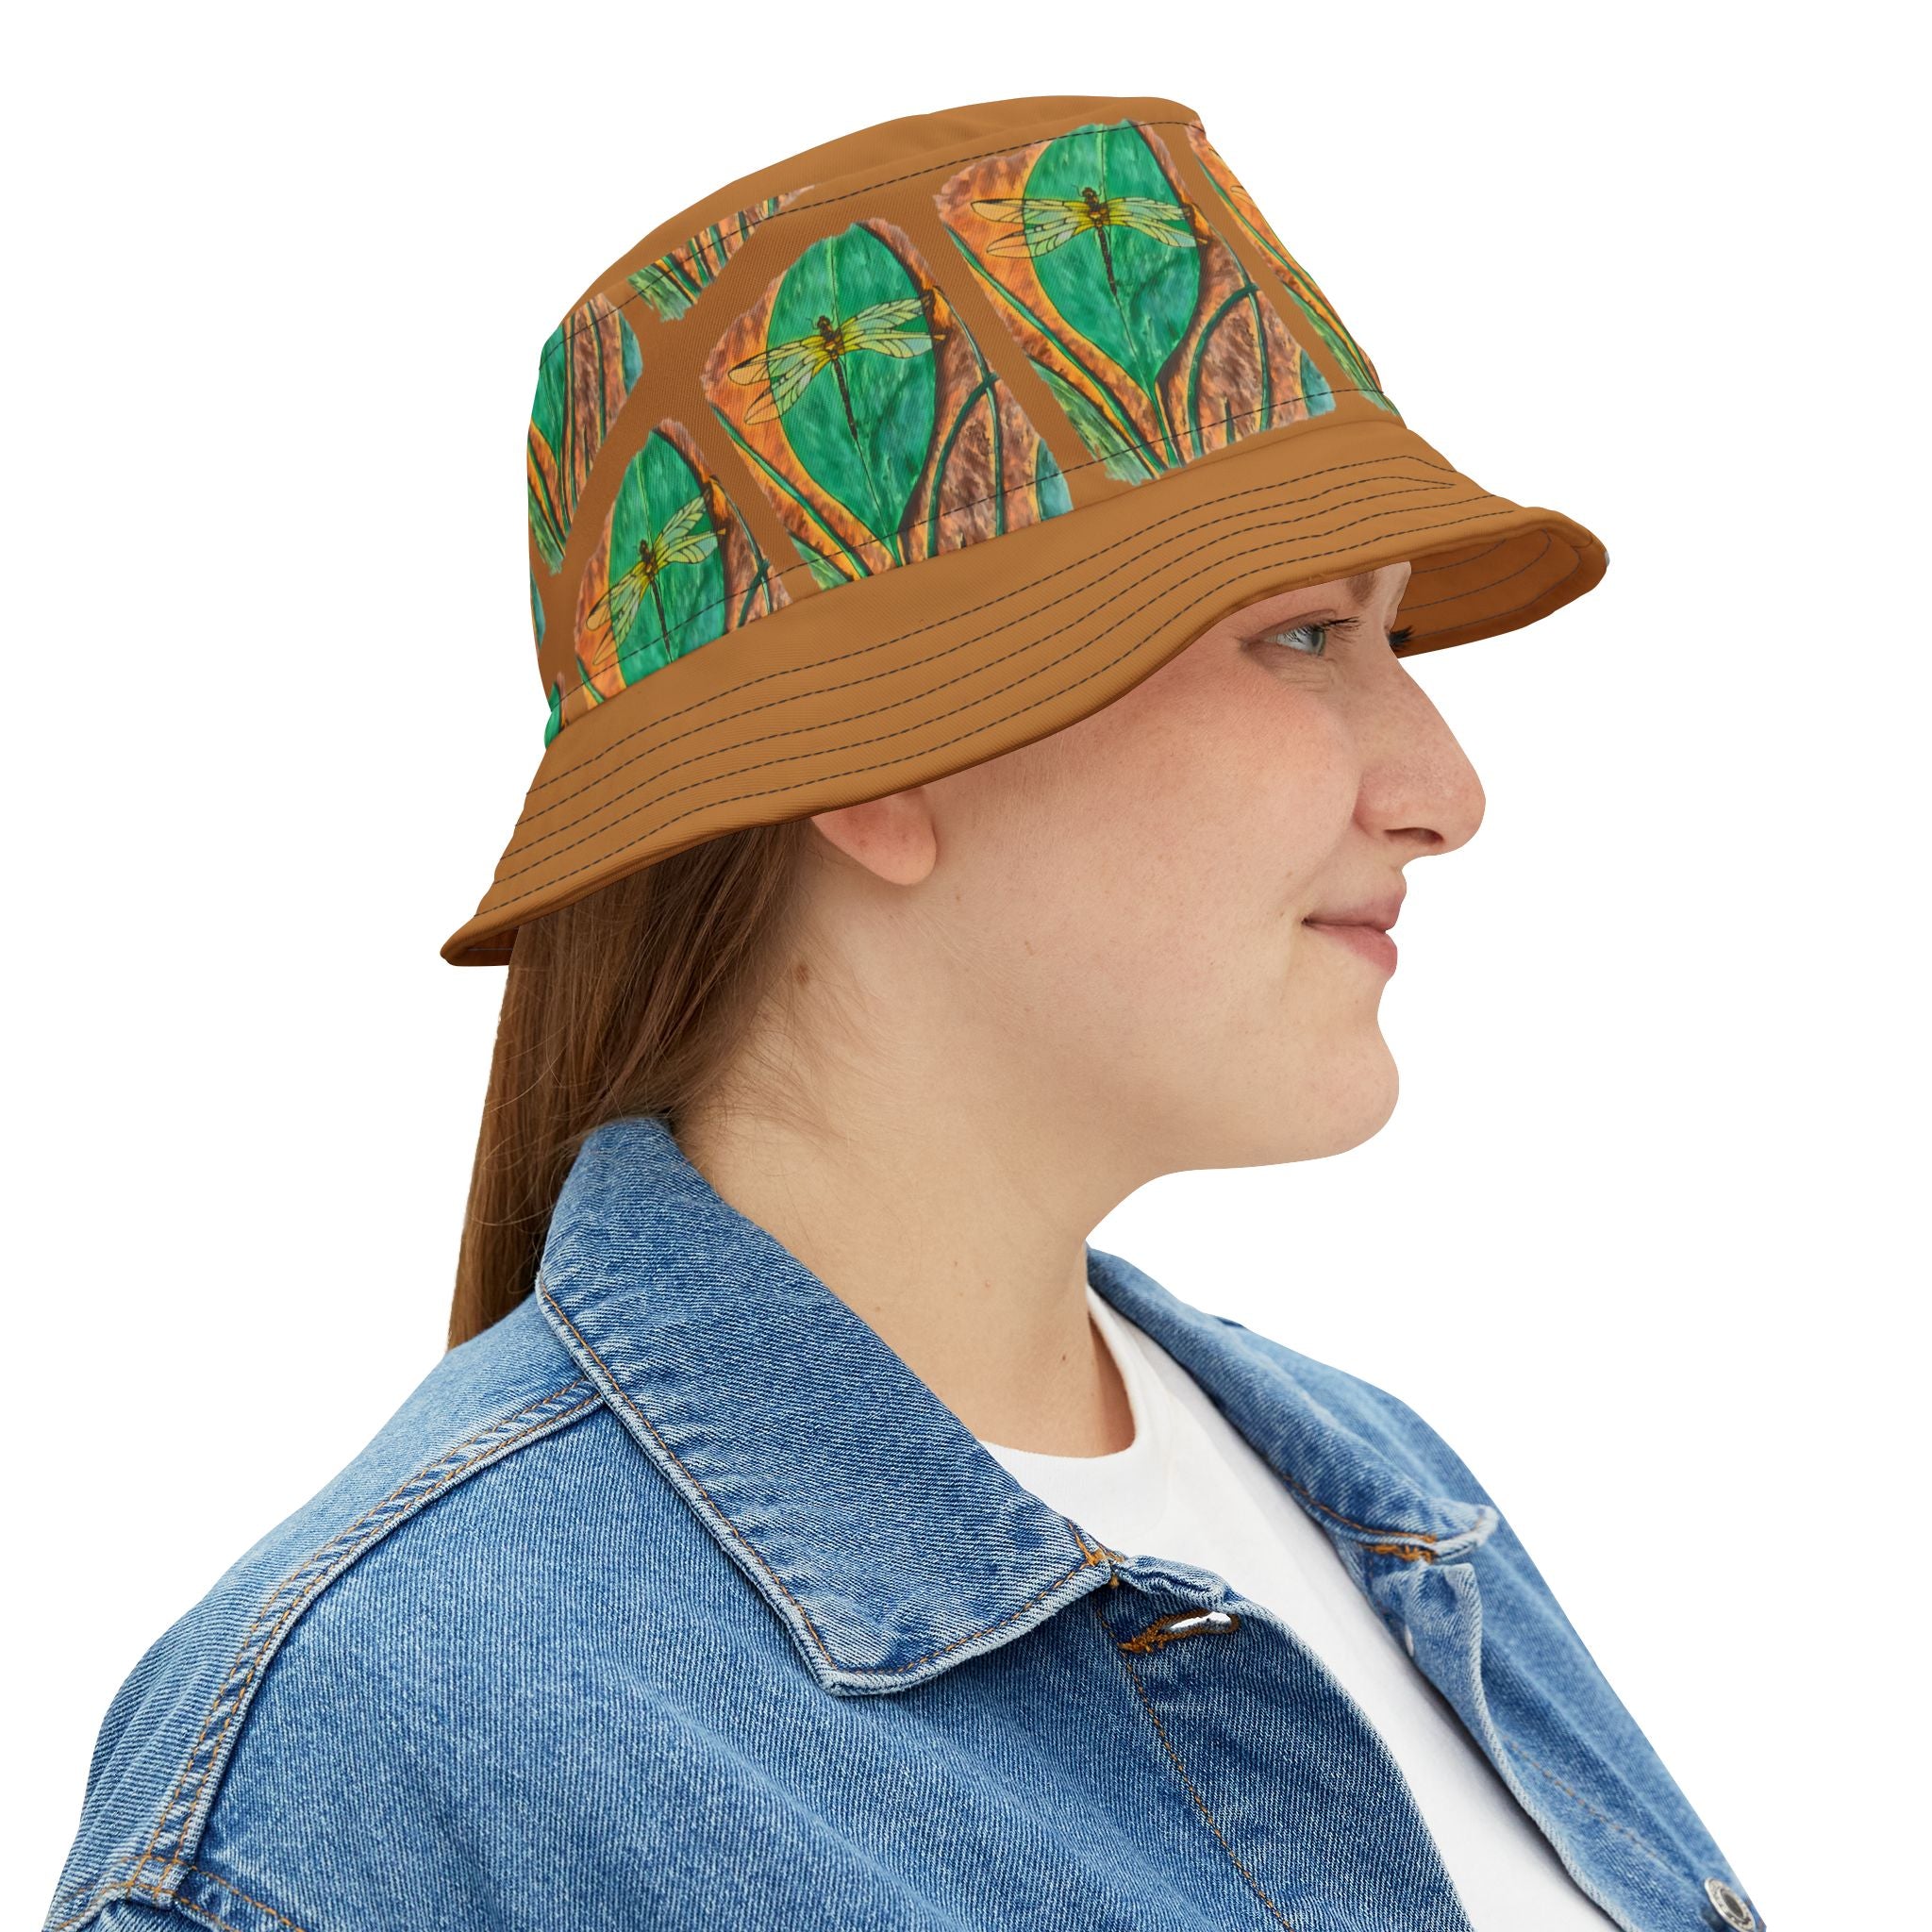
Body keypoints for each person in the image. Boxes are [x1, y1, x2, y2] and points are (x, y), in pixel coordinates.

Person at [42, 92, 1766, 1932]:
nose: (1443, 785)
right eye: (1303, 635)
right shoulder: (380, 1756)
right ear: (875, 753)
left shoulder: (1389, 1506)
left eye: (1392, 642)